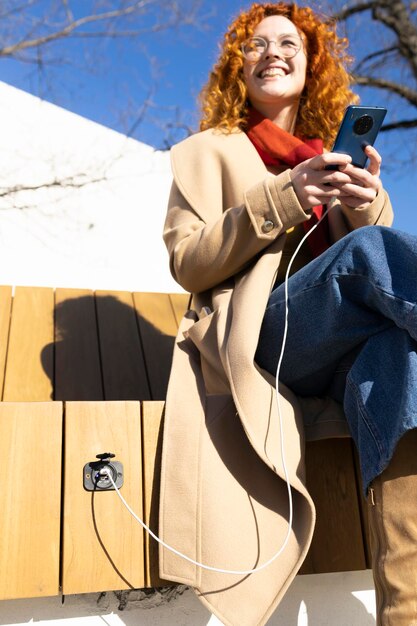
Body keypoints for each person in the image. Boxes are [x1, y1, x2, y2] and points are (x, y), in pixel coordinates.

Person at [159, 3, 415, 625]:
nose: (272, 51)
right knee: (365, 253)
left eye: (289, 43)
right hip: (260, 338)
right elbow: (188, 262)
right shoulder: (205, 152)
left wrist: (365, 201)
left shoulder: (336, 154)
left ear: (312, 64)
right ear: (236, 66)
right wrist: (282, 196)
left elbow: (375, 259)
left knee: (402, 358)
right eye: (256, 43)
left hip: (342, 345)